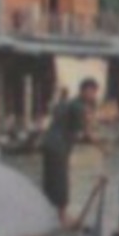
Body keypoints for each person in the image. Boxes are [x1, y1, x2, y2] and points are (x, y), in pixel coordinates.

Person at [41, 78, 101, 226]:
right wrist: (102, 147)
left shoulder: (67, 103)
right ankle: (62, 217)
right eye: (92, 92)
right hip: (59, 146)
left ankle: (48, 211)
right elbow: (86, 133)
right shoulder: (78, 106)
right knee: (61, 181)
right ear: (85, 91)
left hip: (48, 143)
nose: (94, 96)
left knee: (50, 180)